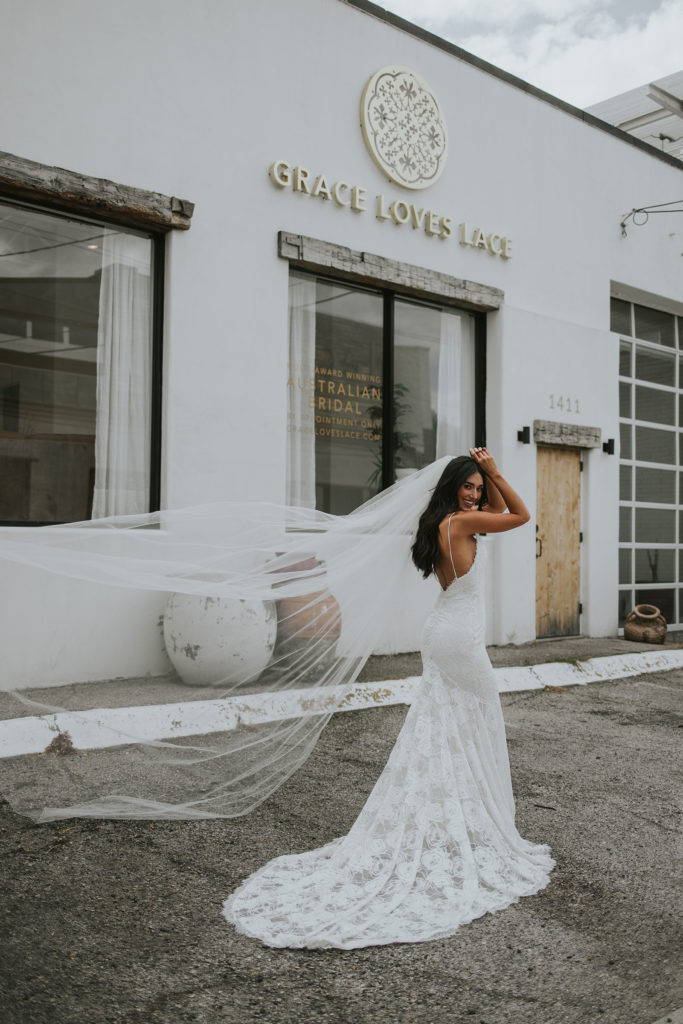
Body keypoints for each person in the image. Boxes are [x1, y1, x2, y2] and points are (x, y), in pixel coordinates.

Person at [222, 448, 555, 949]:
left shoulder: (440, 522)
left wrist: (485, 478)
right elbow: (523, 517)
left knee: (446, 727)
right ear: (452, 488)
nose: (475, 494)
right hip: (458, 639)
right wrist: (494, 471)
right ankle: (478, 824)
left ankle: (460, 819)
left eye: (477, 488)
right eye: (468, 486)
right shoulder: (461, 522)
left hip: (444, 632)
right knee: (477, 720)